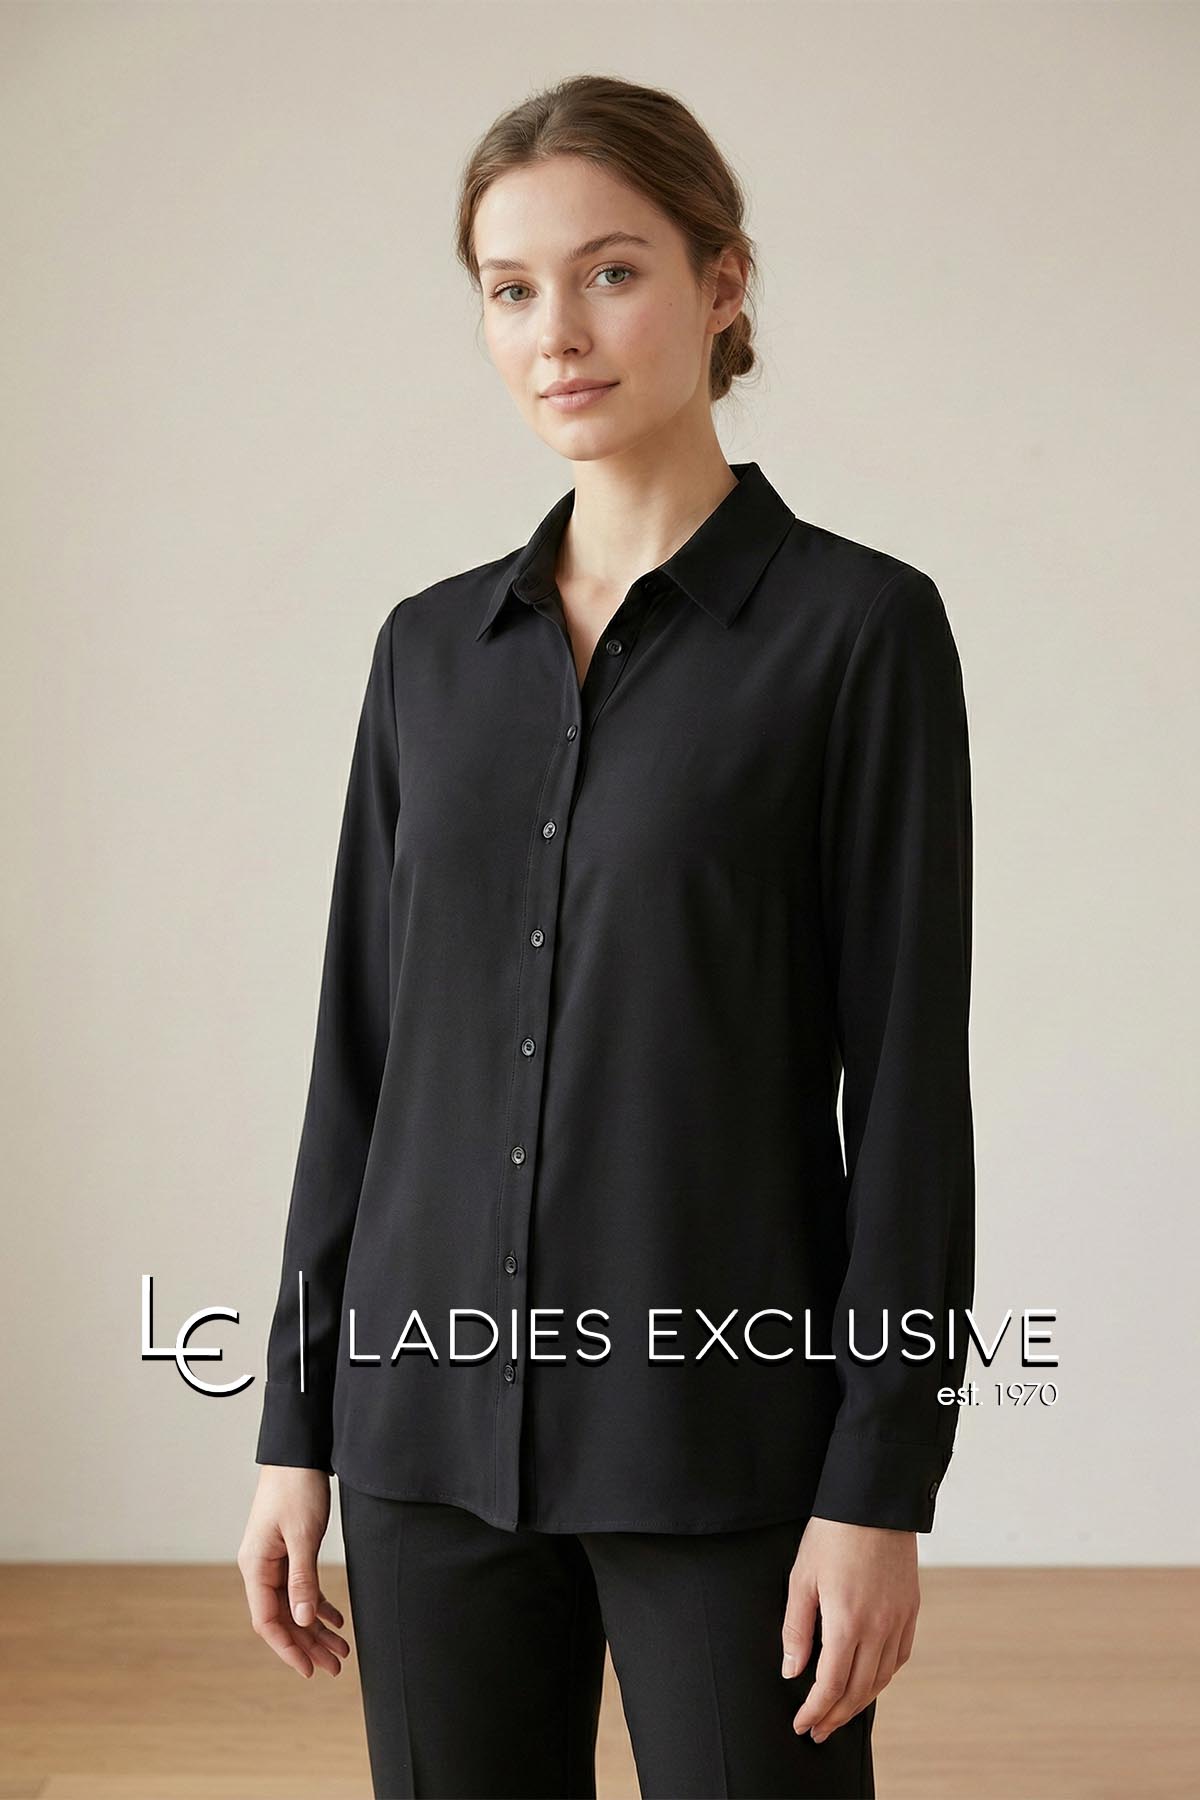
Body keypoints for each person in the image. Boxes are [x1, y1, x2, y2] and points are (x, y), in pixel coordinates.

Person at [237, 73, 975, 1800]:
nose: (556, 333)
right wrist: (297, 1429)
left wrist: (881, 1485)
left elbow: (908, 1094)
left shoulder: (860, 634)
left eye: (611, 272)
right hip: (423, 1443)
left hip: (724, 1443)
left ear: (723, 284)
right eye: (510, 289)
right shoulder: (429, 655)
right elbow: (361, 1066)